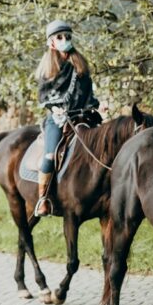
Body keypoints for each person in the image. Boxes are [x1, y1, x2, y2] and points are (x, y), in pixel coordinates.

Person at [33, 20, 100, 217]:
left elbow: (88, 93)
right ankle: (43, 198)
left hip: (82, 116)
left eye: (67, 36)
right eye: (60, 37)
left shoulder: (80, 63)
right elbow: (43, 97)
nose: (65, 40)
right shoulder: (47, 69)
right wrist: (56, 108)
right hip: (58, 119)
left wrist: (95, 104)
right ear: (51, 42)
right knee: (50, 155)